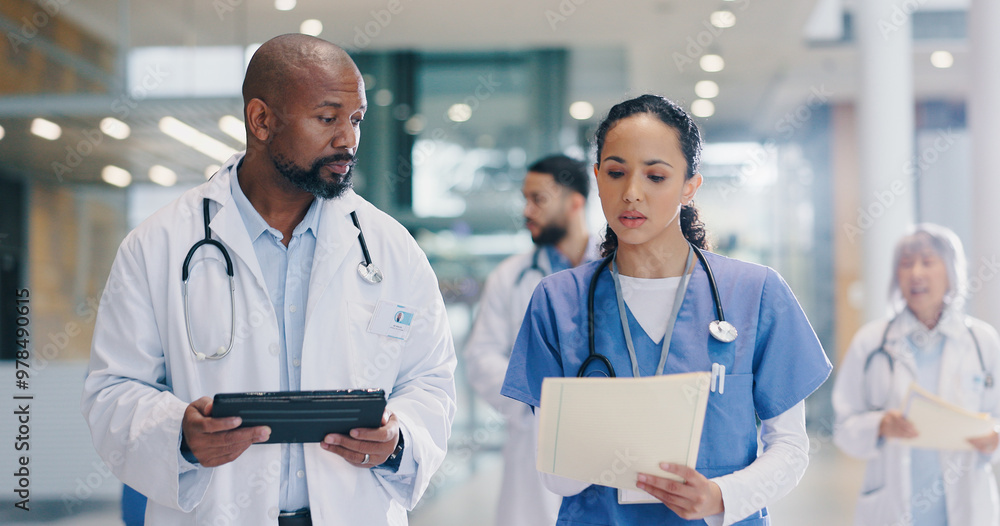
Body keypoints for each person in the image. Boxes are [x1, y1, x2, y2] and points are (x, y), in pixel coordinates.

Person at [81, 34, 456, 526]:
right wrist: (180, 435)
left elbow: (430, 380)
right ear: (261, 120)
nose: (348, 139)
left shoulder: (390, 247)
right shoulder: (158, 245)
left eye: (356, 119)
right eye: (327, 118)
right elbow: (113, 390)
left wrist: (397, 438)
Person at [500, 94, 832, 525]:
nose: (632, 193)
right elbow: (557, 478)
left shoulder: (755, 292)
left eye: (656, 176)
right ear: (597, 178)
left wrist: (719, 496)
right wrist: (596, 439)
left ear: (690, 186)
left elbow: (790, 447)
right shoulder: (558, 300)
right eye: (616, 173)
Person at [832, 223, 1000, 526]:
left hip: (968, 507)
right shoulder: (871, 342)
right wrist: (881, 425)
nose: (916, 273)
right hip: (892, 508)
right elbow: (843, 428)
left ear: (951, 271)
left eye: (927, 261)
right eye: (906, 264)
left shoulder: (983, 341)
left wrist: (994, 438)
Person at [464, 154, 599, 526]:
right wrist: (539, 400)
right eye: (525, 198)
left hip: (609, 432)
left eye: (538, 199)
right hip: (536, 437)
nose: (527, 210)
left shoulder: (620, 266)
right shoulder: (511, 276)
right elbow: (481, 356)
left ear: (575, 202)